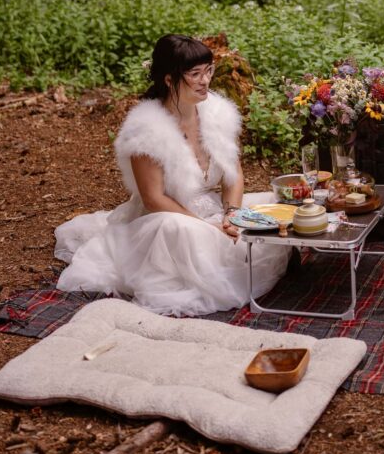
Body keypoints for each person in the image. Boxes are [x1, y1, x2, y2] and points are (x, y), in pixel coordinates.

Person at [54, 34, 291, 316]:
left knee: (275, 210)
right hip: (165, 218)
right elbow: (153, 199)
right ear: (169, 79)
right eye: (195, 74)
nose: (205, 81)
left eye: (208, 71)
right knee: (183, 233)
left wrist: (232, 213)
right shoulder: (146, 129)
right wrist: (207, 227)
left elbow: (233, 172)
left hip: (214, 208)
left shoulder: (217, 113)